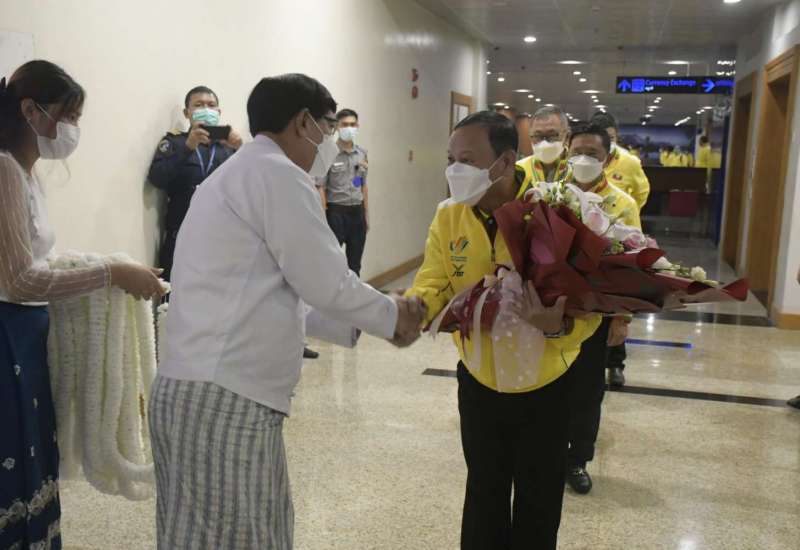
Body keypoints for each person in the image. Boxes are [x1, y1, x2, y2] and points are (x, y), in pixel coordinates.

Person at [148, 73, 426, 549]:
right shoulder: (277, 174)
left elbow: (278, 287)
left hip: (203, 388)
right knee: (238, 537)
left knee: (223, 533)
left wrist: (369, 321)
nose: (330, 139)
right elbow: (325, 280)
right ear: (303, 122)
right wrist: (392, 316)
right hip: (223, 394)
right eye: (327, 125)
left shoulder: (236, 174)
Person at [407, 111, 601, 550]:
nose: (455, 170)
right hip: (479, 379)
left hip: (546, 384)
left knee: (538, 498)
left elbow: (590, 304)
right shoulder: (449, 216)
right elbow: (433, 279)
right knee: (484, 491)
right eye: (451, 159)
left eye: (467, 160)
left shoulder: (555, 212)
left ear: (506, 160)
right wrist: (415, 307)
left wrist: (559, 328)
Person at [0, 60, 165, 550]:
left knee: (33, 451)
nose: (73, 129)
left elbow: (36, 259)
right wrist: (112, 274)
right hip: (8, 335)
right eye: (68, 116)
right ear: (30, 111)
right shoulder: (5, 169)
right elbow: (20, 280)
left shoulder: (26, 173)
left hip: (27, 332)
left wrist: (111, 268)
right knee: (15, 451)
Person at [560, 123, 640, 495]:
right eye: (577, 151)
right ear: (567, 151)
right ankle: (547, 451)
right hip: (555, 310)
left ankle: (577, 459)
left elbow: (633, 265)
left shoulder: (623, 204)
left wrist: (622, 319)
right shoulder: (551, 195)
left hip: (597, 313)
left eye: (592, 153)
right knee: (549, 385)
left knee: (588, 390)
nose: (583, 159)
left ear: (607, 159)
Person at [147, 86, 243, 282]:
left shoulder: (228, 149)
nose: (206, 109)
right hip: (181, 236)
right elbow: (157, 178)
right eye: (198, 105)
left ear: (219, 112)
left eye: (211, 105)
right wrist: (188, 148)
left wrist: (241, 150)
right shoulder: (175, 143)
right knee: (174, 296)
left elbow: (249, 189)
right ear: (187, 113)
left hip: (222, 239)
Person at [589, 111, 651, 388]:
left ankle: (615, 364)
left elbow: (642, 193)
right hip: (587, 242)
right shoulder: (577, 163)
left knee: (615, 303)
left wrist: (625, 213)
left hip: (618, 234)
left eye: (611, 137)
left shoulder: (629, 162)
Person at [316, 108, 369, 276]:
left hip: (357, 213)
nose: (349, 128)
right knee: (332, 266)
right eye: (345, 124)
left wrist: (366, 214)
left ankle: (355, 293)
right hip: (336, 214)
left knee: (355, 266)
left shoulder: (362, 154)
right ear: (337, 127)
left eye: (353, 124)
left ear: (357, 126)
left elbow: (362, 184)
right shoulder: (327, 153)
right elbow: (320, 187)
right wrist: (323, 218)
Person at [518, 105, 570, 186]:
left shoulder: (577, 170)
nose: (544, 143)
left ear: (567, 136)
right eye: (537, 136)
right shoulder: (519, 170)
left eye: (552, 135)